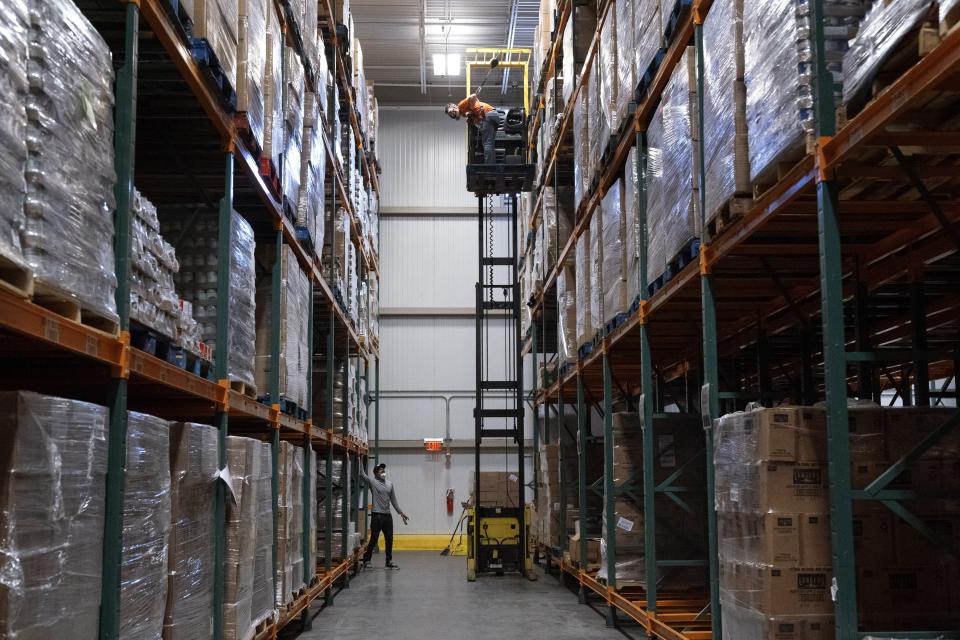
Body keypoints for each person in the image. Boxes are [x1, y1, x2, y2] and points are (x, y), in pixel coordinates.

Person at [359, 462, 409, 569]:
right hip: (377, 516)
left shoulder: (390, 484)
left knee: (389, 538)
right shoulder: (372, 482)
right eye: (380, 471)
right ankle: (367, 561)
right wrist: (360, 458)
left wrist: (401, 513)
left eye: (383, 470)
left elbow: (394, 501)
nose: (383, 472)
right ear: (376, 474)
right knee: (374, 539)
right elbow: (362, 474)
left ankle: (388, 562)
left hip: (387, 516)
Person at [445, 94, 501, 164]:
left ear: (454, 107)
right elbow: (475, 118)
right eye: (450, 115)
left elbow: (473, 96)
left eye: (451, 112)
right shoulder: (464, 112)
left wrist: (471, 105)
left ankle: (489, 167)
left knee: (487, 144)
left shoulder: (460, 105)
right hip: (493, 115)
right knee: (490, 144)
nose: (452, 115)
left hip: (488, 114)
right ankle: (492, 164)